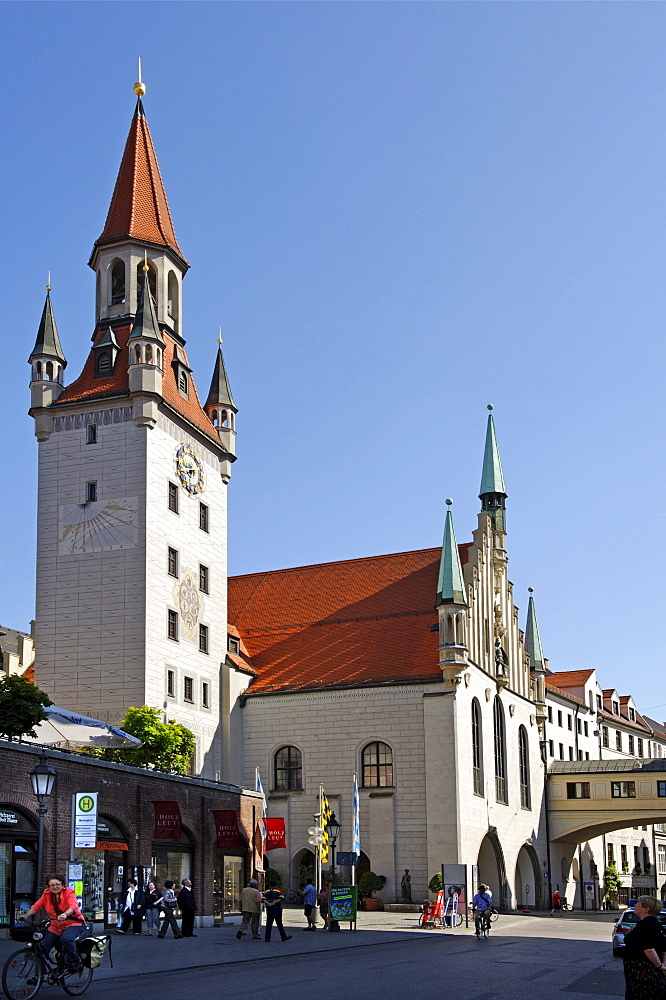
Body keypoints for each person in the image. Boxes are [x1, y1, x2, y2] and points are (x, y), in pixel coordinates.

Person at [22, 875, 86, 968]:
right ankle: (39, 976)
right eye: (52, 885)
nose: (55, 887)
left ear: (63, 885)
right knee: (42, 948)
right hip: (55, 926)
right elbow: (37, 906)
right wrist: (26, 916)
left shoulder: (69, 893)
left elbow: (73, 907)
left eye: (57, 884)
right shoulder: (46, 894)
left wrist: (65, 914)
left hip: (73, 923)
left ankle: (74, 960)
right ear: (48, 886)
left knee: (66, 939)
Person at [622, 895, 666, 999]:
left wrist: (660, 966)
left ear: (646, 909)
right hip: (649, 975)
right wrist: (663, 966)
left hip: (642, 974)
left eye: (638, 903)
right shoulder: (655, 923)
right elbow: (664, 947)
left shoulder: (646, 924)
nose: (635, 905)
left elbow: (648, 948)